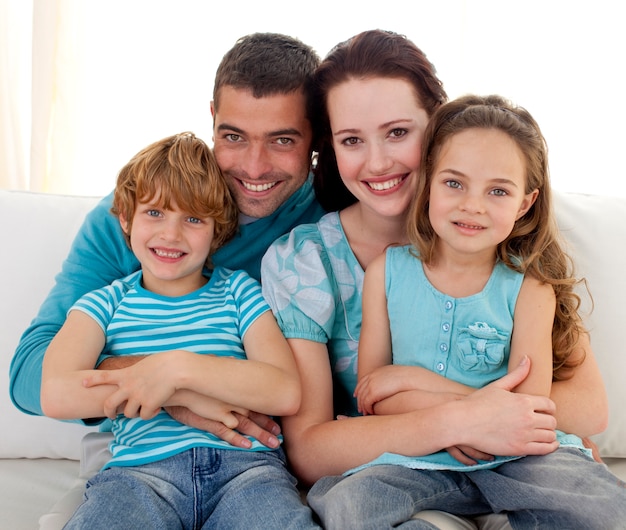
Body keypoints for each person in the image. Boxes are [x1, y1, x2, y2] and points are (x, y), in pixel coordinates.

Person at [260, 29, 609, 527]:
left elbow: (588, 408)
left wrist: (464, 404)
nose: (378, 161)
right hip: (409, 467)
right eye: (352, 140)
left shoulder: (512, 252)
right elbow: (314, 450)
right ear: (329, 148)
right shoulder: (307, 262)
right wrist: (462, 418)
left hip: (510, 458)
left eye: (398, 132)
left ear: (438, 128)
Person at [10, 33, 325, 449]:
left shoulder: (336, 220)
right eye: (233, 137)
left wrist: (170, 376)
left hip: (259, 465)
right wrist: (171, 392)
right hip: (142, 458)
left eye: (282, 140)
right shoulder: (135, 219)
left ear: (317, 135)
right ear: (212, 118)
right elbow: (30, 375)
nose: (254, 166)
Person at [40, 132, 319, 529]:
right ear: (125, 217)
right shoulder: (103, 304)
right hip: (139, 476)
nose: (171, 235)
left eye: (192, 219)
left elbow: (284, 390)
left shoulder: (241, 292)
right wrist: (181, 392)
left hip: (247, 473)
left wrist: (178, 368)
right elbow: (56, 394)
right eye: (154, 213)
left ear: (217, 230)